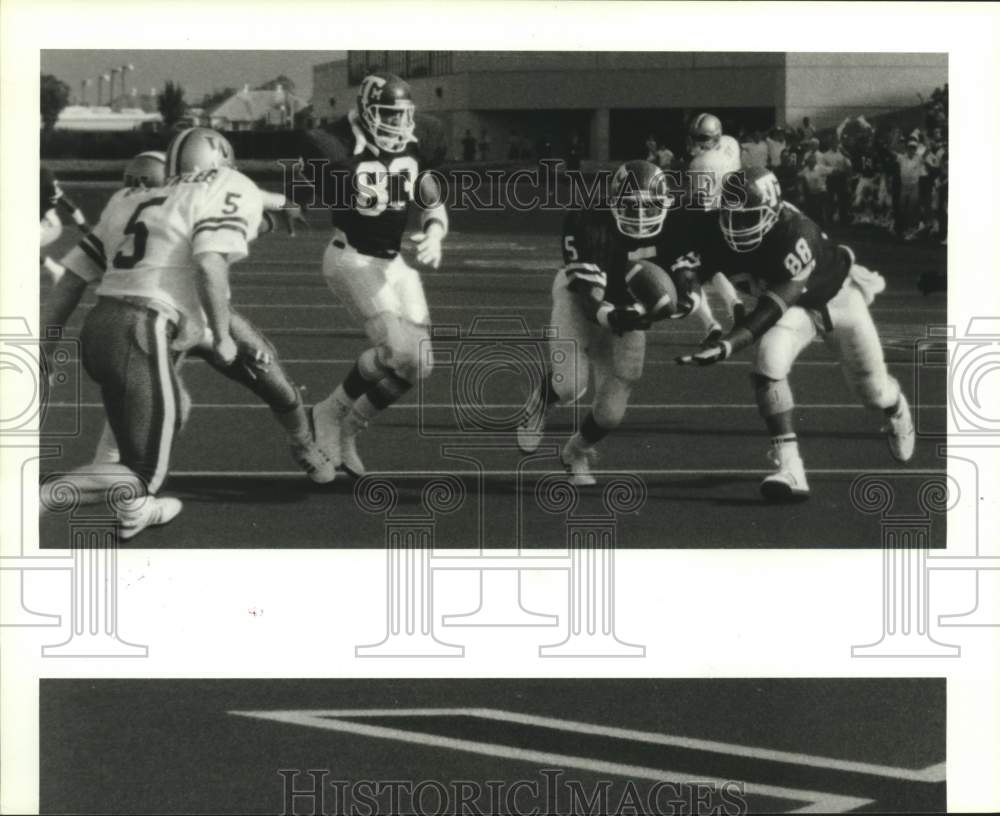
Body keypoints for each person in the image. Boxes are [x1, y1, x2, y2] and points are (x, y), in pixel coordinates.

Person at [38, 129, 271, 537]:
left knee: (168, 412)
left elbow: (72, 281)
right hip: (141, 328)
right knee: (142, 471)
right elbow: (209, 264)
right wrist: (223, 336)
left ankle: (134, 511)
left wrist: (45, 344)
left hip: (100, 327)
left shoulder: (129, 200)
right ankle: (36, 496)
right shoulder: (209, 195)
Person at [84, 150, 334, 484]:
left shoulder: (179, 200)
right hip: (162, 317)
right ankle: (118, 473)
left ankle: (303, 443)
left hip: (206, 314)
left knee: (272, 378)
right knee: (149, 404)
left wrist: (280, 208)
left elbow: (252, 207)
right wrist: (277, 212)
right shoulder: (157, 207)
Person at [677, 167, 915, 501]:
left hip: (838, 297)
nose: (737, 226)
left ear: (773, 212)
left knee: (874, 393)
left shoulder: (795, 232)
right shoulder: (715, 227)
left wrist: (727, 345)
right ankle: (791, 467)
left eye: (749, 217)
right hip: (796, 310)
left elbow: (772, 306)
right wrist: (685, 286)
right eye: (732, 216)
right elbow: (696, 266)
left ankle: (896, 408)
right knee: (768, 361)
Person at [294, 72, 449, 477]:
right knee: (398, 349)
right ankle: (328, 414)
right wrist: (299, 200)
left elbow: (432, 196)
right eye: (387, 115)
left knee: (420, 364)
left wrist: (435, 233)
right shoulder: (335, 145)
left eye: (402, 116)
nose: (397, 125)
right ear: (364, 112)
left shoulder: (418, 142)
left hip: (393, 263)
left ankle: (348, 429)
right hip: (352, 258)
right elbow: (306, 189)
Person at [516, 160, 701, 485]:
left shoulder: (679, 226)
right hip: (581, 297)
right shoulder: (589, 221)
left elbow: (687, 285)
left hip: (630, 307)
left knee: (612, 411)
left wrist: (679, 304)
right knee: (571, 382)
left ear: (666, 204)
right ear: (615, 201)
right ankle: (541, 400)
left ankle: (576, 452)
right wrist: (613, 314)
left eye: (650, 206)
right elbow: (590, 299)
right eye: (631, 205)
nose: (642, 215)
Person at [40, 165, 91, 284]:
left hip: (48, 225)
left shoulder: (45, 188)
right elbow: (72, 208)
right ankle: (56, 270)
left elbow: (71, 207)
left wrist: (86, 230)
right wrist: (85, 228)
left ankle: (56, 270)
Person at [897, 139, 926, 240]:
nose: (911, 150)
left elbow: (927, 152)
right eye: (910, 148)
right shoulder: (901, 158)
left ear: (915, 150)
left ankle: (910, 231)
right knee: (902, 207)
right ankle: (903, 230)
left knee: (911, 208)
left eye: (913, 148)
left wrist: (925, 140)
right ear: (907, 149)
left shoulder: (919, 159)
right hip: (904, 186)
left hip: (914, 186)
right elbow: (891, 153)